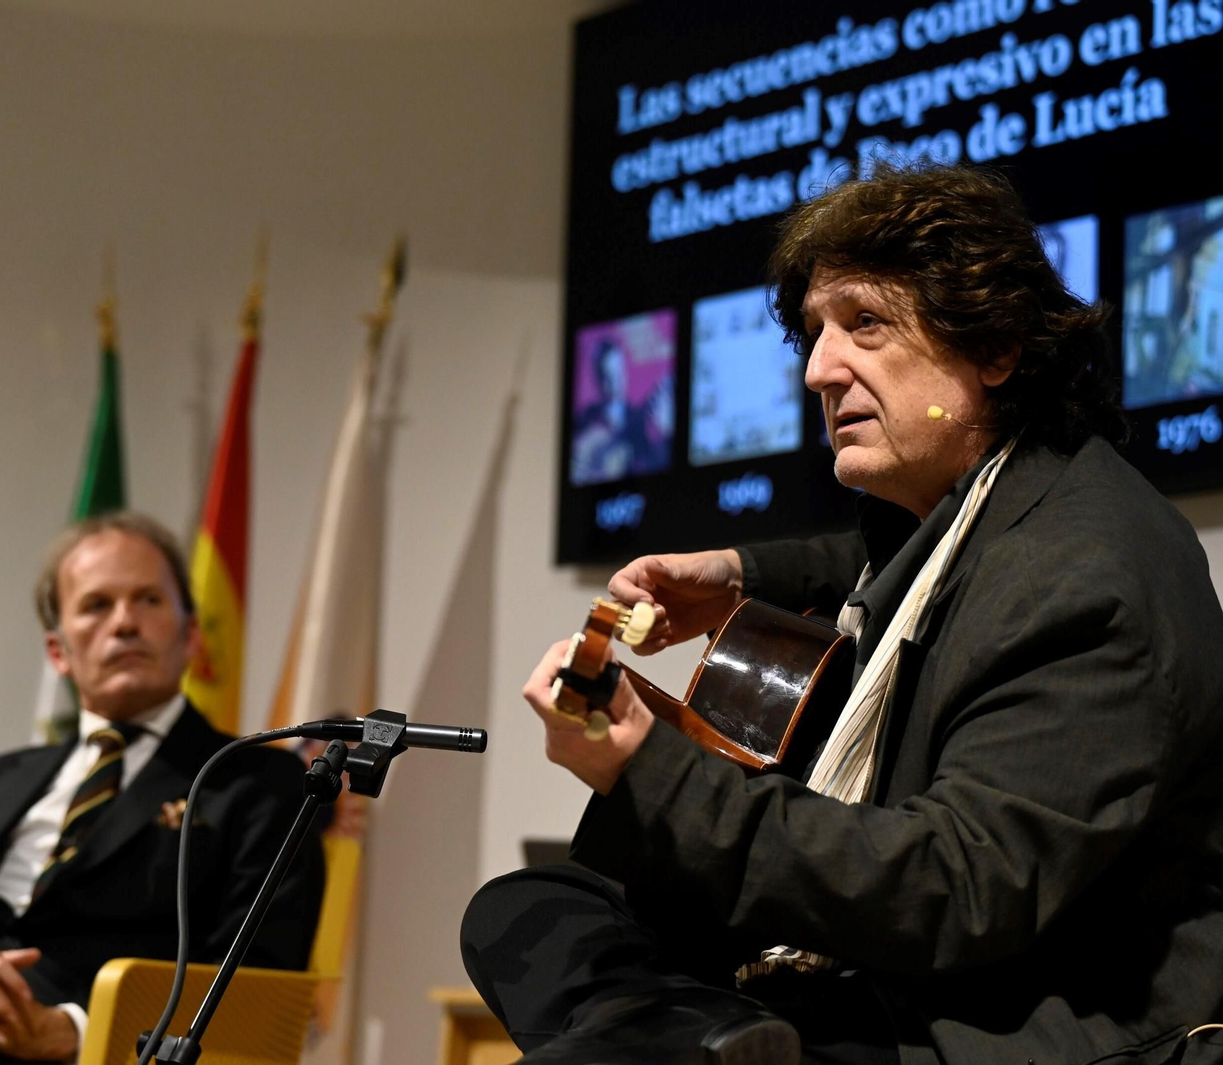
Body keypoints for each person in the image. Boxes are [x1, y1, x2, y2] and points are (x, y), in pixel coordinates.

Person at [463, 164, 1223, 1065]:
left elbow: (956, 888)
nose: (821, 368)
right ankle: (708, 1037)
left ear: (997, 347)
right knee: (525, 911)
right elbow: (892, 570)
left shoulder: (1090, 577)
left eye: (866, 322)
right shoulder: (984, 504)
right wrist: (740, 575)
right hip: (890, 974)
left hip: (999, 1021)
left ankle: (690, 1038)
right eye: (818, 333)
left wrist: (649, 768)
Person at [0, 511, 324, 1064]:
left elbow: (261, 984)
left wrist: (70, 1031)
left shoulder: (257, 783)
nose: (124, 623)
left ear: (190, 635)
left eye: (148, 600)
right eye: (97, 605)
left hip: (99, 1048)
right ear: (58, 652)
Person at [571, 337, 673, 484]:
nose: (614, 384)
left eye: (618, 374)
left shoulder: (640, 422)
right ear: (597, 377)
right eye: (607, 376)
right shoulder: (581, 423)